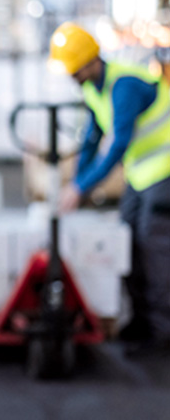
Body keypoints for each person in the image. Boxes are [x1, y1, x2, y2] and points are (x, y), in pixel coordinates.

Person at [50, 22, 170, 354]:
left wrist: (81, 188)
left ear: (90, 61)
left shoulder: (124, 85)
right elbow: (91, 139)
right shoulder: (93, 87)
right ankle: (142, 321)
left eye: (74, 70)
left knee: (155, 249)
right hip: (142, 174)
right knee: (127, 241)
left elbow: (117, 144)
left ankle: (163, 333)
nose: (71, 77)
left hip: (165, 172)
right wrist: (76, 181)